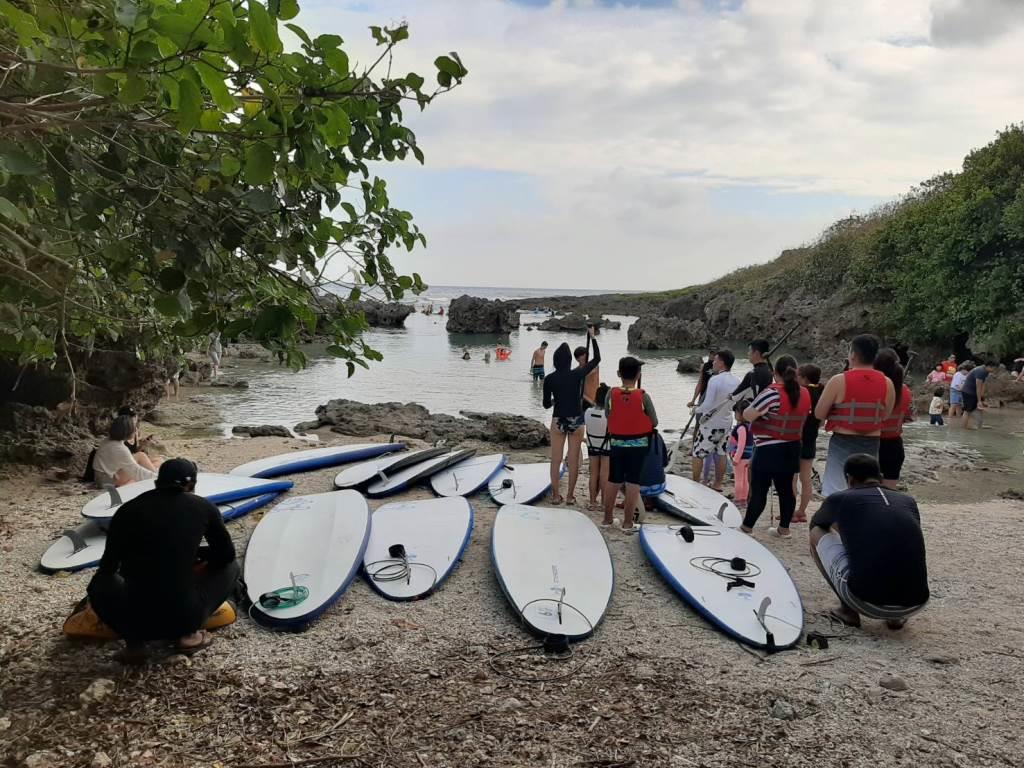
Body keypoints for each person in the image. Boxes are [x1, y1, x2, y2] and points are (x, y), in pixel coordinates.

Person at [87, 459, 240, 663]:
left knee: (101, 581)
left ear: (158, 482)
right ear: (191, 485)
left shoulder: (127, 511)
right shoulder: (203, 507)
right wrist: (199, 561)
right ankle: (190, 637)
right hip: (185, 616)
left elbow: (108, 568)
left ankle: (134, 646)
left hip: (134, 619)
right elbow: (226, 555)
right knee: (231, 566)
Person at [809, 454, 929, 629]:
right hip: (915, 604)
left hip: (865, 602)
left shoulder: (842, 498)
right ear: (879, 476)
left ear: (849, 479)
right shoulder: (907, 501)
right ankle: (896, 618)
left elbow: (817, 524)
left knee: (816, 533)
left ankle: (847, 610)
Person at [815, 334, 895, 497]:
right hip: (872, 443)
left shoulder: (838, 380)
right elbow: (885, 415)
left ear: (853, 354)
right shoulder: (887, 382)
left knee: (836, 491)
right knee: (865, 489)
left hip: (842, 441)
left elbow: (819, 413)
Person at [740, 355, 810, 536]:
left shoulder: (772, 393)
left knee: (759, 491)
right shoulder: (804, 393)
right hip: (793, 447)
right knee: (786, 490)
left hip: (768, 449)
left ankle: (747, 527)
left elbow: (747, 415)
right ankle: (784, 529)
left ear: (775, 373)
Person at [542, 331, 600, 505]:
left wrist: (554, 400)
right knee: (573, 459)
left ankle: (554, 496)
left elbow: (545, 404)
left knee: (556, 459)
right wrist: (593, 338)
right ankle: (569, 496)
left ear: (554, 361)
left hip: (558, 419)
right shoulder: (577, 374)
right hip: (576, 419)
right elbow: (597, 359)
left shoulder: (549, 379)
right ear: (569, 361)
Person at [603, 356, 658, 532]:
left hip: (617, 442)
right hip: (639, 444)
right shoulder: (644, 397)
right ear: (638, 374)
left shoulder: (610, 394)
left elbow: (607, 414)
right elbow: (654, 421)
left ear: (619, 373)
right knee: (633, 481)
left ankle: (607, 519)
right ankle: (628, 523)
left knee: (614, 479)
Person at [691, 350, 739, 492]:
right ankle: (718, 484)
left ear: (722, 362)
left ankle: (696, 483)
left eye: (716, 360)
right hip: (726, 421)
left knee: (698, 452)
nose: (713, 362)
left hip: (711, 424)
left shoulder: (714, 380)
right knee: (721, 452)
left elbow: (708, 404)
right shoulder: (737, 381)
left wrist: (696, 409)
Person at [875, 348, 913, 490]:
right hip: (894, 445)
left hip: (871, 442)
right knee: (890, 492)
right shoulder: (905, 390)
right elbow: (908, 417)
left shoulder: (875, 388)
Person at [92, 414, 161, 488]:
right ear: (128, 431)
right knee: (141, 465)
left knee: (154, 459)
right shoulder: (120, 448)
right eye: (134, 429)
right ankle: (158, 477)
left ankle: (156, 474)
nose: (136, 431)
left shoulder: (109, 440)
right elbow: (137, 472)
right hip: (107, 481)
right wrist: (160, 479)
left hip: (102, 476)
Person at [794, 364, 824, 523]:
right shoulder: (821, 393)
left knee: (792, 478)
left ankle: (792, 510)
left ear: (804, 378)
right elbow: (821, 422)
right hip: (811, 439)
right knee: (806, 479)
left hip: (797, 439)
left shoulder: (801, 393)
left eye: (798, 376)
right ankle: (802, 511)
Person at [584, 383, 611, 512]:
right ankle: (603, 503)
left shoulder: (588, 412)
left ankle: (592, 501)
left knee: (593, 473)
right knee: (604, 474)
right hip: (606, 446)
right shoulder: (608, 415)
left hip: (592, 445)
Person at [727, 402, 753, 506]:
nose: (735, 414)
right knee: (744, 479)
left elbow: (741, 444)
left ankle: (739, 499)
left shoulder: (741, 428)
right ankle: (743, 499)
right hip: (747, 457)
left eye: (736, 412)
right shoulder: (749, 426)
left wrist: (736, 458)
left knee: (739, 479)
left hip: (741, 458)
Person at [961, 359, 998, 430]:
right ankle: (964, 428)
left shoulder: (985, 371)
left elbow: (983, 384)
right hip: (968, 392)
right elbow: (978, 387)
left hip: (972, 392)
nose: (994, 370)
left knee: (979, 409)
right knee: (967, 411)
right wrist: (979, 400)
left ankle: (980, 426)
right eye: (994, 368)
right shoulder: (980, 371)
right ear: (989, 366)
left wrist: (982, 396)